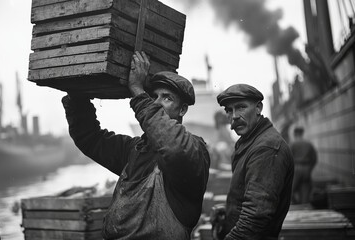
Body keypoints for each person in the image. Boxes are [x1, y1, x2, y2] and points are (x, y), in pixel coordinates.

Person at [62, 51, 210, 239]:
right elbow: (89, 137)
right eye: (153, 96)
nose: (157, 103)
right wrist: (76, 94)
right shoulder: (134, 150)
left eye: (167, 98)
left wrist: (138, 92)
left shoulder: (194, 150)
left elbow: (173, 147)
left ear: (182, 110)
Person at [212, 84, 294, 240]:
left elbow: (254, 219)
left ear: (258, 108)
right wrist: (229, 211)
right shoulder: (251, 141)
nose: (234, 116)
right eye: (229, 110)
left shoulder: (266, 148)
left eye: (241, 107)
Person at [290, 126, 317, 204]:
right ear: (302, 133)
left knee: (290, 190)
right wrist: (309, 168)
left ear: (295, 134)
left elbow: (288, 158)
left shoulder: (292, 144)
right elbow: (314, 159)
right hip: (307, 168)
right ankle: (304, 206)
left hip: (296, 168)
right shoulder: (308, 144)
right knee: (305, 190)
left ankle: (295, 203)